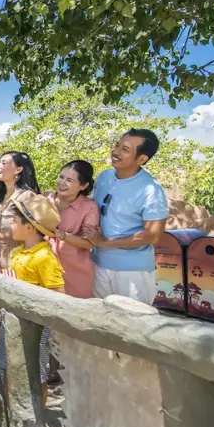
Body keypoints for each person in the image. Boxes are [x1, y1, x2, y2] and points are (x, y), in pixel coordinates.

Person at [86, 129, 169, 304]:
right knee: (98, 323)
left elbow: (152, 235)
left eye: (125, 149)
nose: (115, 152)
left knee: (133, 325)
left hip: (132, 273)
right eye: (117, 145)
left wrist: (105, 243)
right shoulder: (104, 177)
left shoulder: (150, 190)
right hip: (98, 264)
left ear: (141, 159)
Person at [0, 189, 64, 401]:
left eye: (15, 222)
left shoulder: (45, 257)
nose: (11, 226)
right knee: (8, 364)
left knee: (36, 370)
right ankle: (11, 412)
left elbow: (58, 293)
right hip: (12, 318)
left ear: (28, 228)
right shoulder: (18, 252)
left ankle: (37, 417)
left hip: (34, 323)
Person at [46, 160, 100, 388]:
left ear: (83, 185)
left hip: (75, 272)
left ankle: (76, 375)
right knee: (49, 321)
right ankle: (53, 372)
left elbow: (88, 243)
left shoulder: (89, 207)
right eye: (61, 177)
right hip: (46, 269)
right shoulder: (46, 199)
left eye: (70, 180)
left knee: (73, 323)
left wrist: (61, 235)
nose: (62, 183)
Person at [0, 151, 40, 265]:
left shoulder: (27, 196)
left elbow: (32, 233)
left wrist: (0, 236)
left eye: (4, 163)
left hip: (18, 262)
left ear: (18, 170)